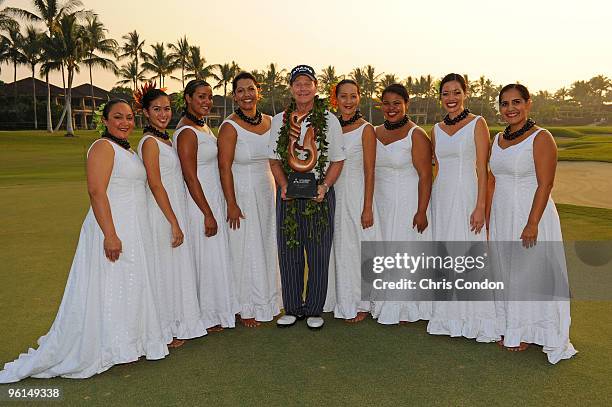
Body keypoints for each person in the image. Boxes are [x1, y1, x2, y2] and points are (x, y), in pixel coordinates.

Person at [0, 100, 168, 383]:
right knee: (108, 285)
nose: (125, 122)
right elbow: (96, 191)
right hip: (112, 227)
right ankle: (109, 345)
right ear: (104, 120)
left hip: (132, 226)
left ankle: (127, 343)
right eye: (117, 117)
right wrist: (110, 234)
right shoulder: (103, 147)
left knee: (128, 284)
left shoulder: (125, 149)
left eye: (129, 117)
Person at [488, 84, 577, 363]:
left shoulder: (541, 138)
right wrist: (490, 216)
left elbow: (546, 183)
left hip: (531, 214)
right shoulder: (497, 139)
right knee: (506, 271)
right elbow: (492, 180)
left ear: (528, 104)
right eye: (504, 103)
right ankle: (510, 325)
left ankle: (528, 331)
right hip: (503, 213)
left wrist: (532, 222)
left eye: (516, 102)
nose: (510, 108)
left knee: (528, 272)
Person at [268, 65, 345, 329]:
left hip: (319, 194)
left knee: (318, 253)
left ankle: (314, 309)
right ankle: (292, 308)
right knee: (289, 252)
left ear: (316, 87)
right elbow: (274, 160)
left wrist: (324, 187)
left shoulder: (329, 120)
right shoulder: (279, 120)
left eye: (307, 83)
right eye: (297, 83)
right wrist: (283, 186)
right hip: (288, 195)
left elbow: (337, 160)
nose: (302, 88)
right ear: (291, 88)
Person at [426, 73, 498, 342]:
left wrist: (480, 206)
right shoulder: (435, 129)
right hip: (442, 195)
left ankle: (475, 318)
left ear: (465, 94)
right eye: (446, 93)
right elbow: (437, 167)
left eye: (456, 92)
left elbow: (482, 168)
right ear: (441, 97)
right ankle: (447, 317)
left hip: (468, 194)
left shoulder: (478, 123)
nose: (451, 98)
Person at [137, 87, 207, 345]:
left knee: (175, 268)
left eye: (166, 108)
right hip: (162, 214)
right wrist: (173, 222)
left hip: (173, 208)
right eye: (157, 109)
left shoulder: (165, 139)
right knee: (164, 270)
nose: (163, 114)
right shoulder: (149, 143)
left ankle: (177, 323)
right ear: (145, 113)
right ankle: (164, 330)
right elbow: (155, 184)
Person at [218, 72, 281, 328]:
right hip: (241, 193)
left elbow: (277, 160)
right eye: (241, 90)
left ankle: (270, 300)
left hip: (268, 190)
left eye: (250, 89)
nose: (246, 94)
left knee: (267, 244)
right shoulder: (229, 126)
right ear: (234, 96)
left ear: (258, 91)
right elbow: (223, 167)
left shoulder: (271, 122)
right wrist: (231, 203)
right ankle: (247, 306)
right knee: (245, 247)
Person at [175, 80, 238, 332]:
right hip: (199, 204)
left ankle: (217, 310)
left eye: (209, 97)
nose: (206, 102)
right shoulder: (187, 132)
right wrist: (208, 213)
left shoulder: (202, 127)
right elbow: (190, 177)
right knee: (205, 257)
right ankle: (207, 315)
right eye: (200, 96)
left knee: (214, 257)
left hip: (212, 198)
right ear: (187, 99)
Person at [371, 83, 433, 325]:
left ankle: (406, 306)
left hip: (408, 201)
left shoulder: (416, 134)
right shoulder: (374, 132)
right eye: (386, 103)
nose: (391, 108)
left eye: (397, 103)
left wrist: (421, 210)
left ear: (406, 104)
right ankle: (382, 300)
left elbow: (426, 176)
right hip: (382, 202)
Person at [331, 79, 382, 322]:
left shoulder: (366, 129)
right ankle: (338, 298)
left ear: (359, 98)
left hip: (356, 193)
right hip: (333, 193)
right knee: (338, 247)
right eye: (344, 96)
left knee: (357, 248)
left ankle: (361, 303)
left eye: (353, 96)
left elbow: (370, 171)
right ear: (336, 99)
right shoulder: (328, 126)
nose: (348, 102)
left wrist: (367, 206)